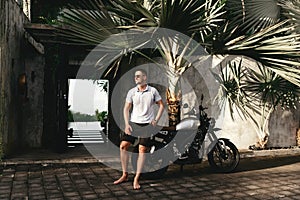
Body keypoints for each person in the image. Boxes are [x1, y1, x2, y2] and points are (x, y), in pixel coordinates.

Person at [113, 69, 164, 190]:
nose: (136, 78)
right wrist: (126, 124)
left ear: (145, 77)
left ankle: (136, 178)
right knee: (123, 146)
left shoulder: (152, 91)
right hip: (133, 123)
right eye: (135, 76)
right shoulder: (132, 92)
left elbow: (161, 105)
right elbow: (126, 108)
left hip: (147, 125)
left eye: (138, 76)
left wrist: (156, 119)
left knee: (142, 149)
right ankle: (125, 174)